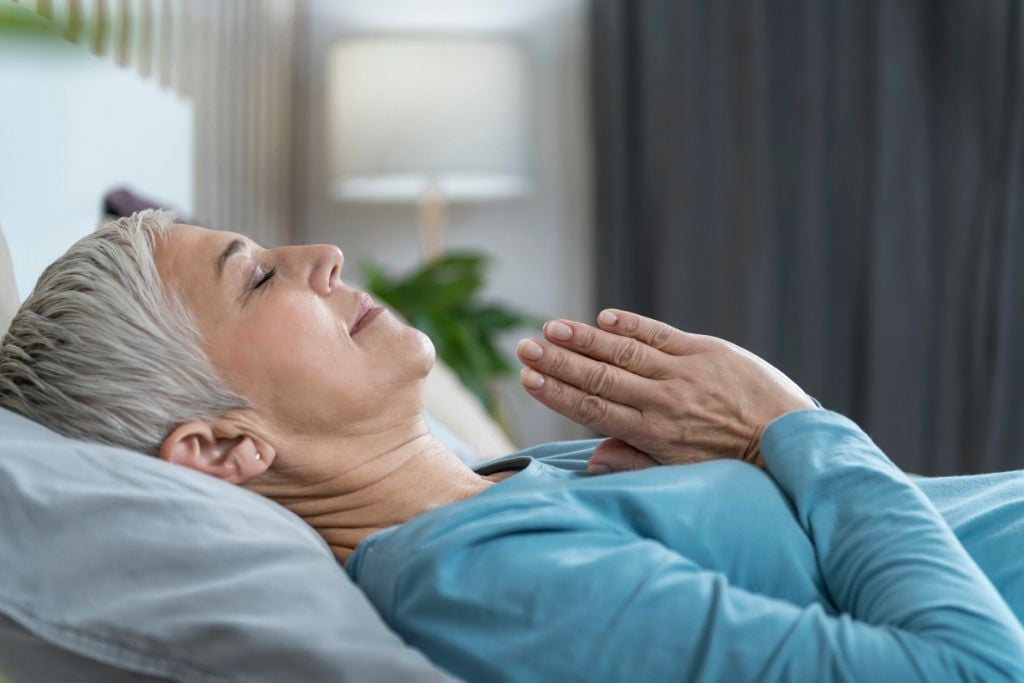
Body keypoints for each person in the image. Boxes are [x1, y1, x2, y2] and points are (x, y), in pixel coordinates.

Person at [0, 210, 1022, 682]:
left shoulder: (512, 487)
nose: (322, 255)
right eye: (259, 277)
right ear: (222, 448)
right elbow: (971, 668)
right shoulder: (475, 579)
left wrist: (757, 463)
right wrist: (791, 423)